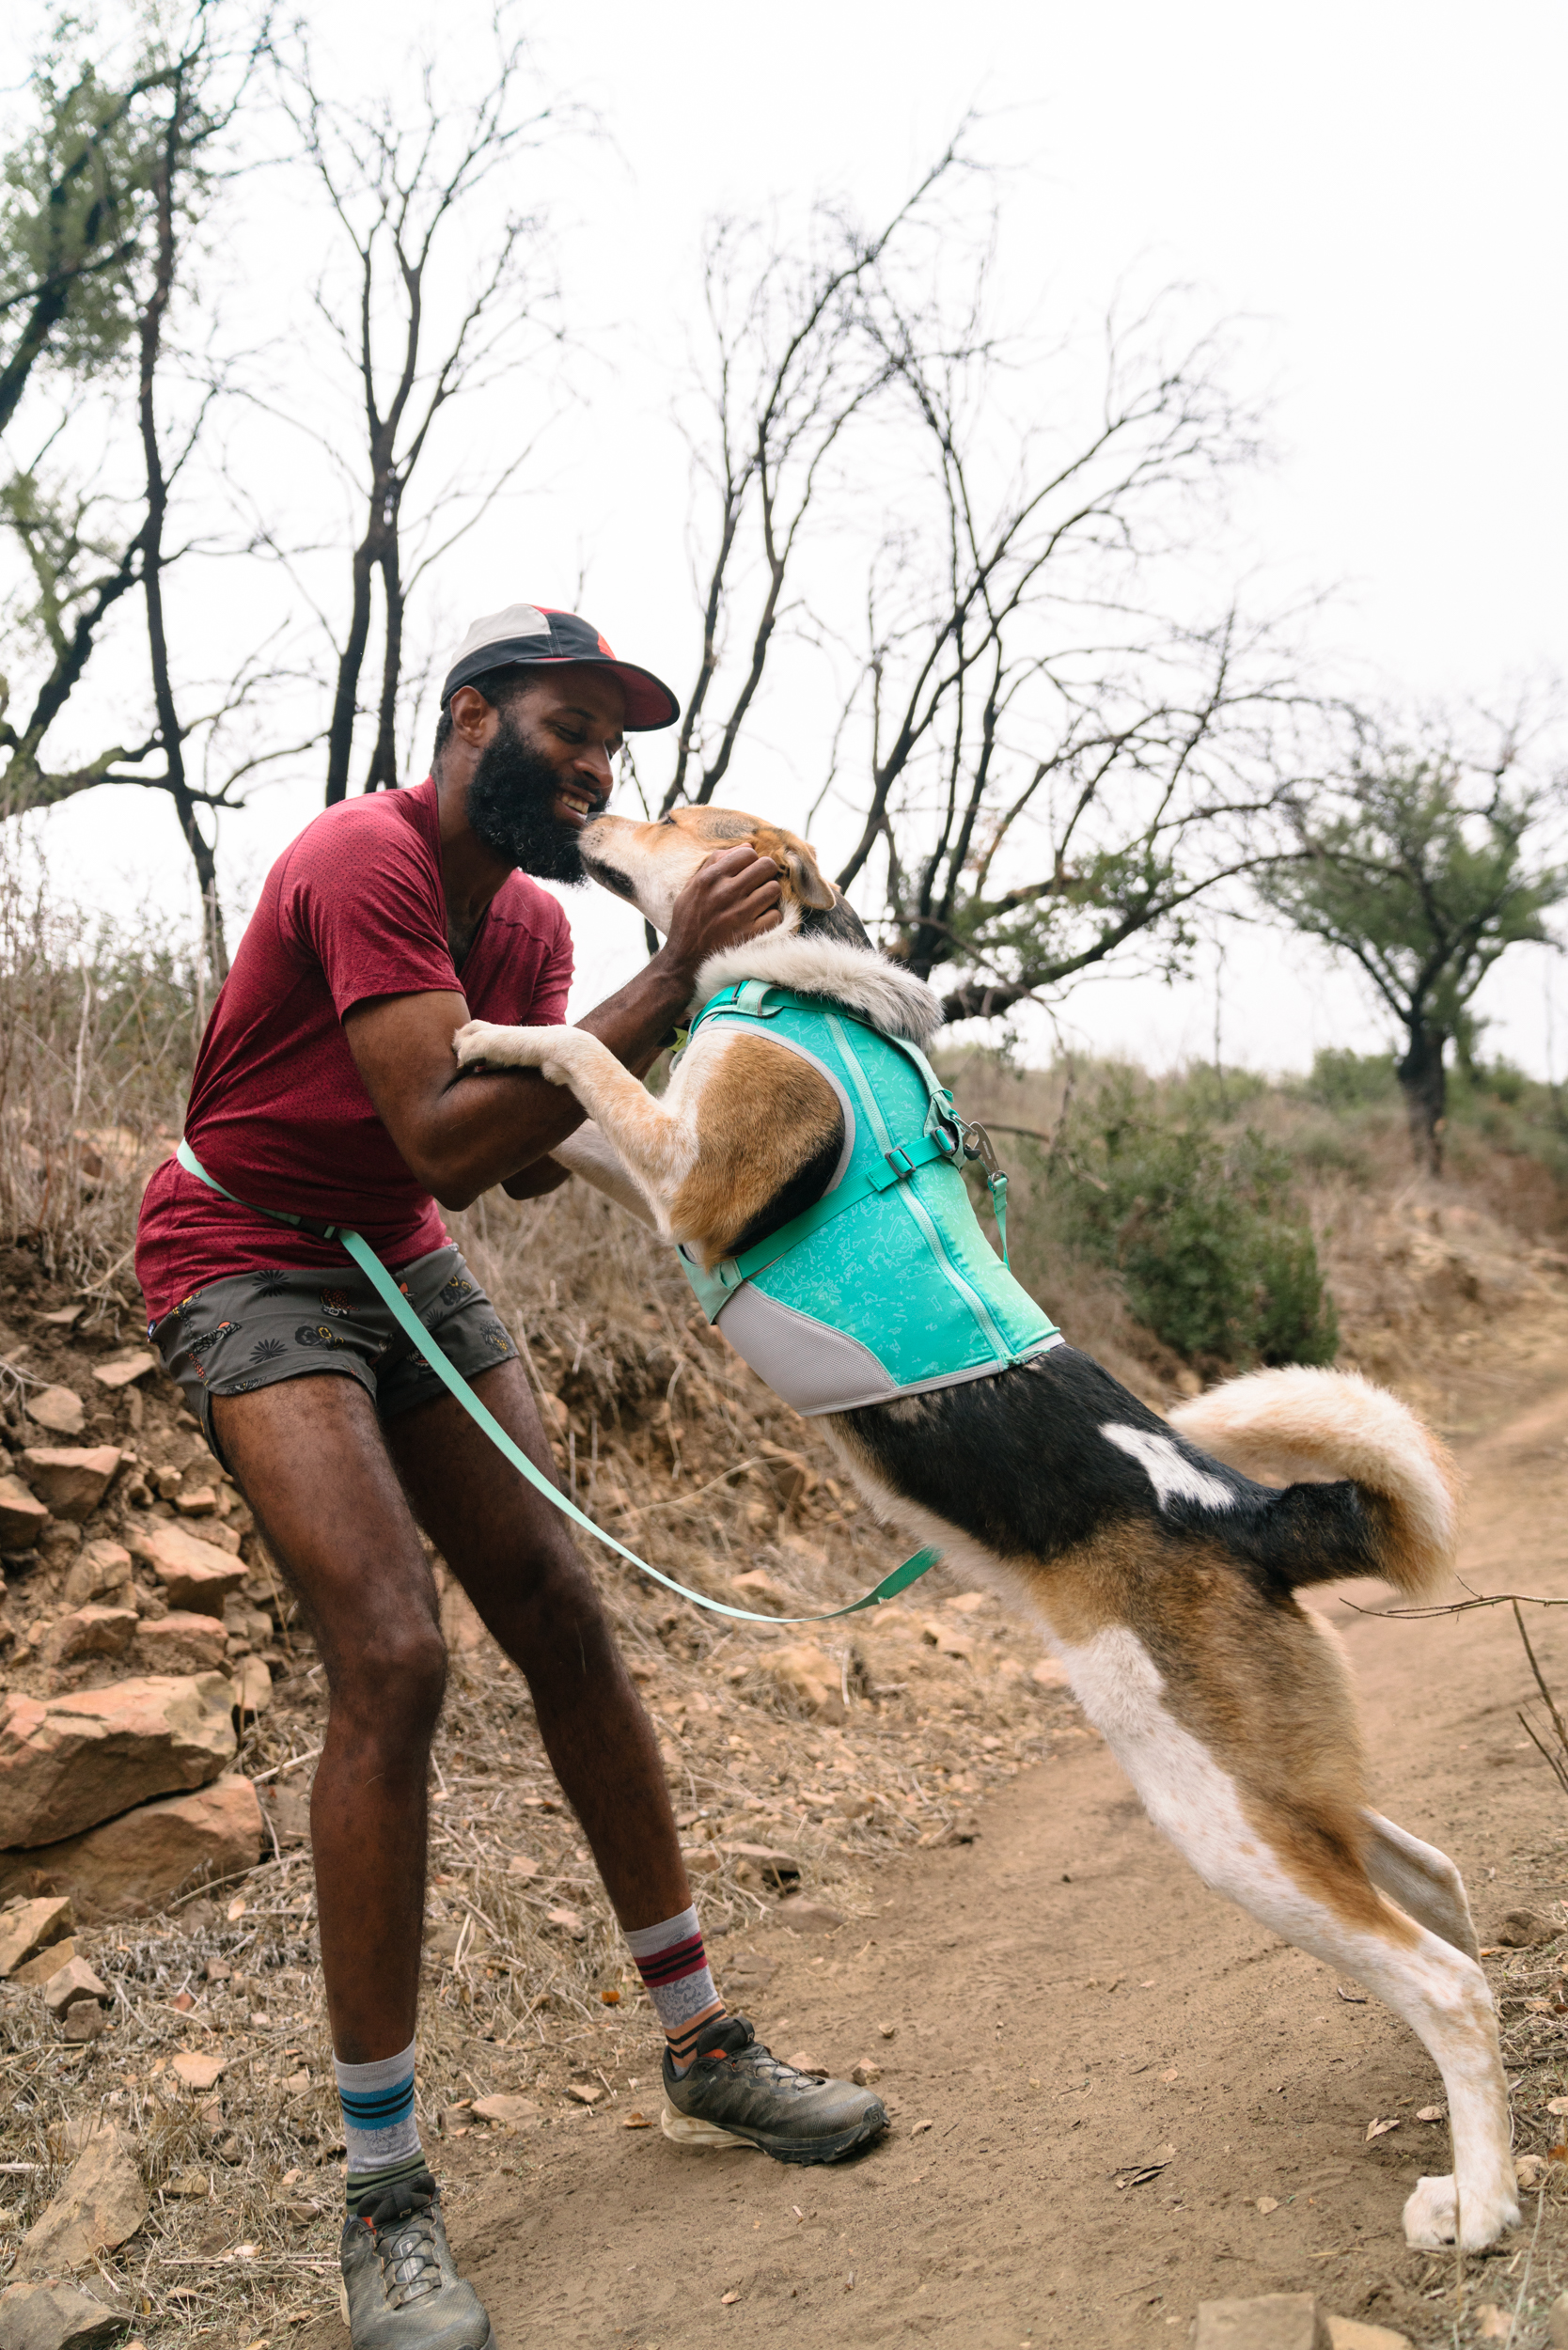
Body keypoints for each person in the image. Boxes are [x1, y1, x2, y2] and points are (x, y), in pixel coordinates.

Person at [134, 604, 887, 2349]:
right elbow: (441, 1129)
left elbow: (508, 1166)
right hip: (244, 1251)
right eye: (570, 731)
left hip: (401, 1248)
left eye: (616, 748)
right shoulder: (362, 858)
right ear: (470, 717)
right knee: (394, 1659)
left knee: (556, 1602)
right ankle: (386, 2198)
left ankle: (704, 2045)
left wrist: (735, 1127)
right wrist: (674, 974)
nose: (598, 768)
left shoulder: (538, 925)